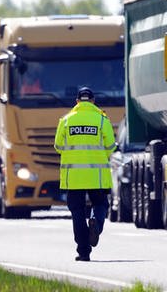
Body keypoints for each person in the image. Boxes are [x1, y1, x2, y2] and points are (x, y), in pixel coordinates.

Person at [54, 87, 116, 261]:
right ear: (93, 101)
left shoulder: (66, 121)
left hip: (73, 177)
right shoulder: (102, 120)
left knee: (77, 211)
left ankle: (83, 251)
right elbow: (111, 147)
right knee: (101, 203)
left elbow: (58, 146)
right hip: (96, 175)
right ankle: (96, 221)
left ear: (77, 102)